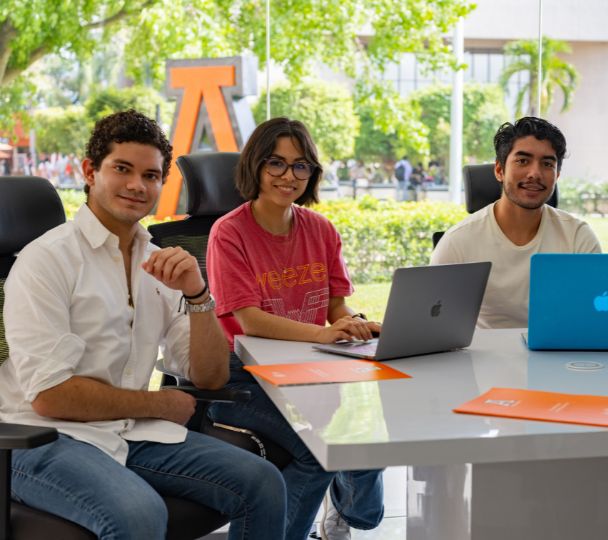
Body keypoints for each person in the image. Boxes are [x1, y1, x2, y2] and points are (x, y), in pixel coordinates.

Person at [0, 110, 286, 539]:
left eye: (151, 175)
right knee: (138, 514)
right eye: (122, 169)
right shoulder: (46, 260)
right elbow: (49, 396)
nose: (137, 185)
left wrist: (198, 294)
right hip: (41, 437)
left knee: (263, 483)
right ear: (90, 172)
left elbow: (208, 376)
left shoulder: (158, 260)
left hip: (126, 430)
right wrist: (159, 405)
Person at [206, 117, 384, 540]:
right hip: (243, 377)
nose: (289, 176)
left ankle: (348, 510)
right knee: (315, 447)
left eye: (300, 166)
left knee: (372, 425)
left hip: (308, 369)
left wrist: (352, 323)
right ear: (255, 166)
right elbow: (248, 319)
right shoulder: (228, 233)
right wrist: (322, 334)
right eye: (276, 164)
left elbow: (336, 304)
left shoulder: (320, 229)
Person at [430, 117, 601, 328]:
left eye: (547, 164)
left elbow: (595, 315)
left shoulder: (577, 236)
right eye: (523, 161)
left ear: (557, 175)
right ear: (499, 170)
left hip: (557, 356)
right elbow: (430, 321)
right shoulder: (458, 241)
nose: (535, 174)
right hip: (482, 359)